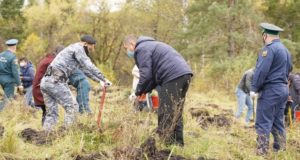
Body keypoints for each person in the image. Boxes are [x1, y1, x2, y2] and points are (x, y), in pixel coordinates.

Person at [123, 35, 193, 146]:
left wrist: (137, 92)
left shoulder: (141, 48)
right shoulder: (151, 45)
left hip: (172, 76)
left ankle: (164, 142)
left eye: (126, 48)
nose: (128, 51)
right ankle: (177, 143)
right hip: (185, 75)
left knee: (165, 111)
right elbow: (151, 78)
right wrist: (144, 91)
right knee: (176, 111)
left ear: (132, 44)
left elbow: (145, 75)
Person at [40, 35, 112, 131]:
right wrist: (104, 78)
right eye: (92, 46)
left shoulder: (72, 50)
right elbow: (89, 65)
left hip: (46, 82)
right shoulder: (78, 49)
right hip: (56, 82)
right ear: (85, 44)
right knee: (72, 106)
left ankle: (46, 135)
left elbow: (85, 70)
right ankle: (66, 134)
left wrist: (99, 81)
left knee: (51, 113)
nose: (93, 49)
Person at [250, 23, 293, 155]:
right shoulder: (285, 50)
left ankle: (261, 152)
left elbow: (261, 70)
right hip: (283, 90)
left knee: (263, 121)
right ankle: (280, 151)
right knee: (277, 122)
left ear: (265, 35)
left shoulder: (268, 49)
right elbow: (289, 69)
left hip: (271, 91)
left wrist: (254, 88)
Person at [32, 45, 64, 125]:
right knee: (50, 113)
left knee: (46, 112)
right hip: (42, 91)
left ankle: (44, 130)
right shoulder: (52, 61)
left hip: (38, 89)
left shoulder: (47, 59)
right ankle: (47, 132)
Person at [0, 39, 23, 111]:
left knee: (5, 98)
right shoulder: (13, 57)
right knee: (8, 100)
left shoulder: (1, 55)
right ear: (14, 47)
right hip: (9, 81)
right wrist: (19, 84)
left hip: (1, 79)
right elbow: (15, 72)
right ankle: (2, 113)